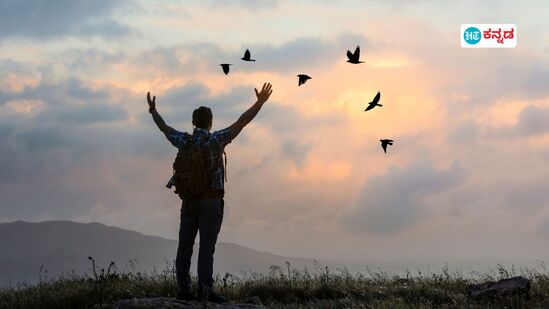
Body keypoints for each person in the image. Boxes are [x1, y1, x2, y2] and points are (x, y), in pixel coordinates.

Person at [147, 83, 273, 302]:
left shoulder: (183, 140)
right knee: (207, 248)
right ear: (211, 122)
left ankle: (183, 290)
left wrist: (153, 110)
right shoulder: (216, 140)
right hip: (211, 203)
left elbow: (164, 128)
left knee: (184, 247)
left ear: (193, 122)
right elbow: (242, 121)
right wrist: (260, 102)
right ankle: (205, 291)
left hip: (188, 203)